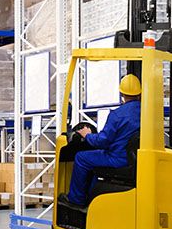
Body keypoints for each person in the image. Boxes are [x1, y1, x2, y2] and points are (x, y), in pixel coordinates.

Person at [60, 74, 142, 208]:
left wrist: (87, 135)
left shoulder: (117, 114)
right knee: (93, 160)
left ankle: (76, 200)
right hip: (135, 159)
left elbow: (103, 141)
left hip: (117, 158)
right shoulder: (147, 112)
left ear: (121, 92)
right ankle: (91, 197)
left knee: (81, 157)